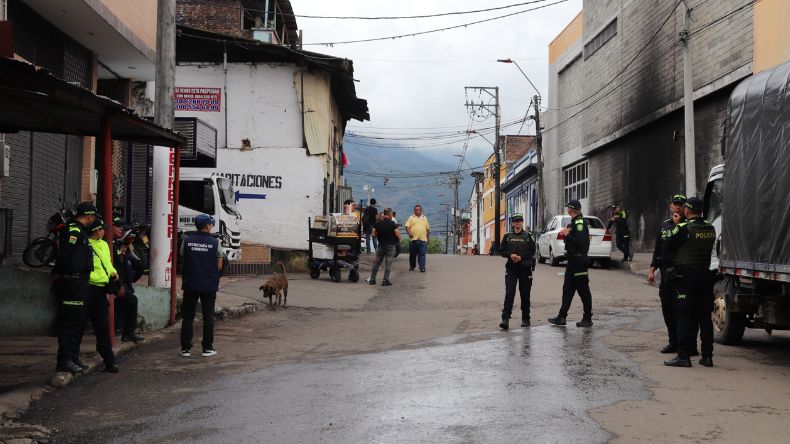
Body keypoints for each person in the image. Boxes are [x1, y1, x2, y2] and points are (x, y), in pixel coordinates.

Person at [663, 197, 717, 368]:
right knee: (705, 318)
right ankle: (707, 357)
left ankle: (683, 357)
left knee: (684, 316)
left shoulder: (684, 228)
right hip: (705, 276)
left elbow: (667, 245)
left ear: (687, 210)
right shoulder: (710, 228)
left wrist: (678, 224)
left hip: (687, 278)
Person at [648, 194, 698, 355]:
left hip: (682, 274)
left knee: (685, 311)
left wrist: (679, 224)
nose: (677, 207)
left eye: (681, 205)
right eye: (675, 204)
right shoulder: (664, 226)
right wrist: (652, 269)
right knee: (667, 309)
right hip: (666, 274)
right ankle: (673, 342)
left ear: (686, 208)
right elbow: (659, 249)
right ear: (671, 206)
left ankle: (690, 345)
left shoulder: (689, 226)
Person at [52, 202, 96, 373]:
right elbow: (66, 256)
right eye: (93, 217)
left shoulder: (81, 231)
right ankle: (64, 360)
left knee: (77, 323)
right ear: (89, 216)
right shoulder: (74, 230)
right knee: (69, 323)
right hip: (72, 282)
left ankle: (72, 357)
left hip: (80, 283)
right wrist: (56, 273)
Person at [180, 214, 223, 358]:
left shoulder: (186, 241)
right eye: (210, 224)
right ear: (207, 226)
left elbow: (183, 258)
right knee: (208, 317)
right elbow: (219, 266)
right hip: (208, 285)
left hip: (190, 284)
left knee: (187, 316)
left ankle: (185, 349)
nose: (211, 226)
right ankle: (207, 348)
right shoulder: (215, 243)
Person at [549, 200, 594, 327]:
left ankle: (587, 318)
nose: (567, 210)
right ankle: (562, 317)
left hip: (579, 261)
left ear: (570, 209)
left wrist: (567, 234)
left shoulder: (579, 223)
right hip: (572, 262)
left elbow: (580, 242)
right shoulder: (574, 222)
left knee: (583, 290)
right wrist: (567, 233)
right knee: (567, 290)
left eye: (568, 208)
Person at [85, 218, 120, 373]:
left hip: (101, 289)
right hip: (87, 288)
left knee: (102, 326)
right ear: (96, 231)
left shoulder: (104, 245)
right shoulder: (85, 245)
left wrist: (114, 275)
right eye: (102, 229)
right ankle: (71, 359)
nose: (104, 232)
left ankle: (109, 360)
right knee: (78, 325)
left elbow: (108, 264)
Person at [498, 213, 536, 330]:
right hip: (511, 269)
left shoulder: (528, 236)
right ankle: (505, 319)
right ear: (512, 223)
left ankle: (526, 319)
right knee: (509, 294)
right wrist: (511, 255)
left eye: (520, 221)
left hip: (525, 269)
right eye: (516, 221)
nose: (518, 223)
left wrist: (522, 257)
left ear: (522, 222)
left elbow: (532, 251)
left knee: (525, 295)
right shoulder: (507, 236)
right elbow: (502, 251)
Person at [112, 217, 145, 343]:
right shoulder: (109, 244)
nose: (121, 229)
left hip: (122, 283)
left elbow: (137, 265)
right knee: (131, 301)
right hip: (112, 283)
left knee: (126, 303)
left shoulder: (119, 245)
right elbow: (113, 267)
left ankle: (123, 330)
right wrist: (119, 285)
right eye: (118, 226)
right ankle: (127, 333)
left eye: (122, 226)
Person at [368, 208, 401, 286]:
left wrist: (378, 235)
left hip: (381, 246)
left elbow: (373, 234)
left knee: (376, 263)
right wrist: (399, 238)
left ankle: (372, 279)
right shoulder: (393, 223)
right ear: (390, 214)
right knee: (388, 264)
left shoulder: (378, 223)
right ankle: (385, 280)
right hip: (390, 246)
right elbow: (397, 233)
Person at [405, 204, 430, 272]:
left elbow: (427, 229)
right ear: (414, 210)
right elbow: (407, 226)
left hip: (423, 239)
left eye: (418, 210)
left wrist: (428, 238)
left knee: (422, 254)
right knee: (413, 254)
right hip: (413, 239)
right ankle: (412, 266)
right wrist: (409, 233)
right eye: (416, 210)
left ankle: (422, 267)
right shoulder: (411, 217)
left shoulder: (424, 218)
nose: (417, 211)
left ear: (421, 210)